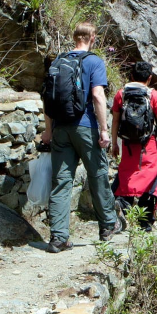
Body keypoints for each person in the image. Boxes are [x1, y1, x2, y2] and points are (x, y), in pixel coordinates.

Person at [40, 22, 121, 253]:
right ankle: (107, 225)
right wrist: (104, 130)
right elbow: (97, 95)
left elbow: (48, 99)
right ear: (92, 38)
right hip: (86, 127)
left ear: (75, 37)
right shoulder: (94, 61)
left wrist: (48, 130)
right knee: (97, 175)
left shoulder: (58, 62)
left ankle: (58, 237)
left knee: (61, 181)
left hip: (60, 129)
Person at [111, 62, 157, 232]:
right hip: (149, 146)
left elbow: (116, 120)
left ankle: (122, 207)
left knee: (127, 177)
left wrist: (114, 143)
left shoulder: (121, 94)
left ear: (131, 77)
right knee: (152, 180)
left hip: (128, 146)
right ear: (150, 78)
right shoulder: (154, 95)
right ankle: (145, 222)